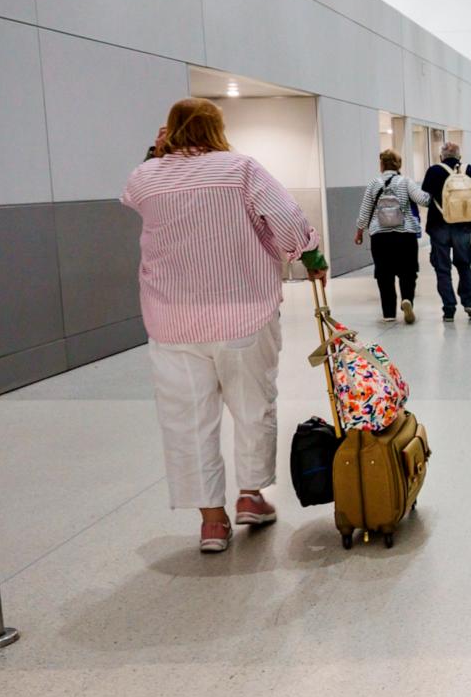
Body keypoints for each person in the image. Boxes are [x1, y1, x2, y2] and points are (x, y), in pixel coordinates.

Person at [122, 98, 328, 554]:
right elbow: (287, 220)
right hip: (243, 314)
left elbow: (135, 194)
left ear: (170, 128)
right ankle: (251, 497)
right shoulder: (240, 169)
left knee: (186, 421)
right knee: (253, 406)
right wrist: (310, 255)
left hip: (172, 320)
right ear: (218, 128)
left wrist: (157, 154)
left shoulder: (145, 176)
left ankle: (212, 523)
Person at [355, 149, 429, 323]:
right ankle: (407, 301)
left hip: (380, 236)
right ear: (398, 164)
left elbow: (365, 211)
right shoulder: (406, 182)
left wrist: (359, 231)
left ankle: (388, 313)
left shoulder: (374, 184)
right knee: (408, 272)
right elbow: (423, 200)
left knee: (384, 274)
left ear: (382, 164)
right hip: (405, 235)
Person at [421, 142, 471, 321]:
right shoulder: (468, 170)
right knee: (464, 266)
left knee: (442, 269)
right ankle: (469, 302)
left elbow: (425, 197)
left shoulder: (433, 171)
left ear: (441, 156)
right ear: (459, 156)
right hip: (462, 226)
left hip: (439, 226)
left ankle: (449, 309)